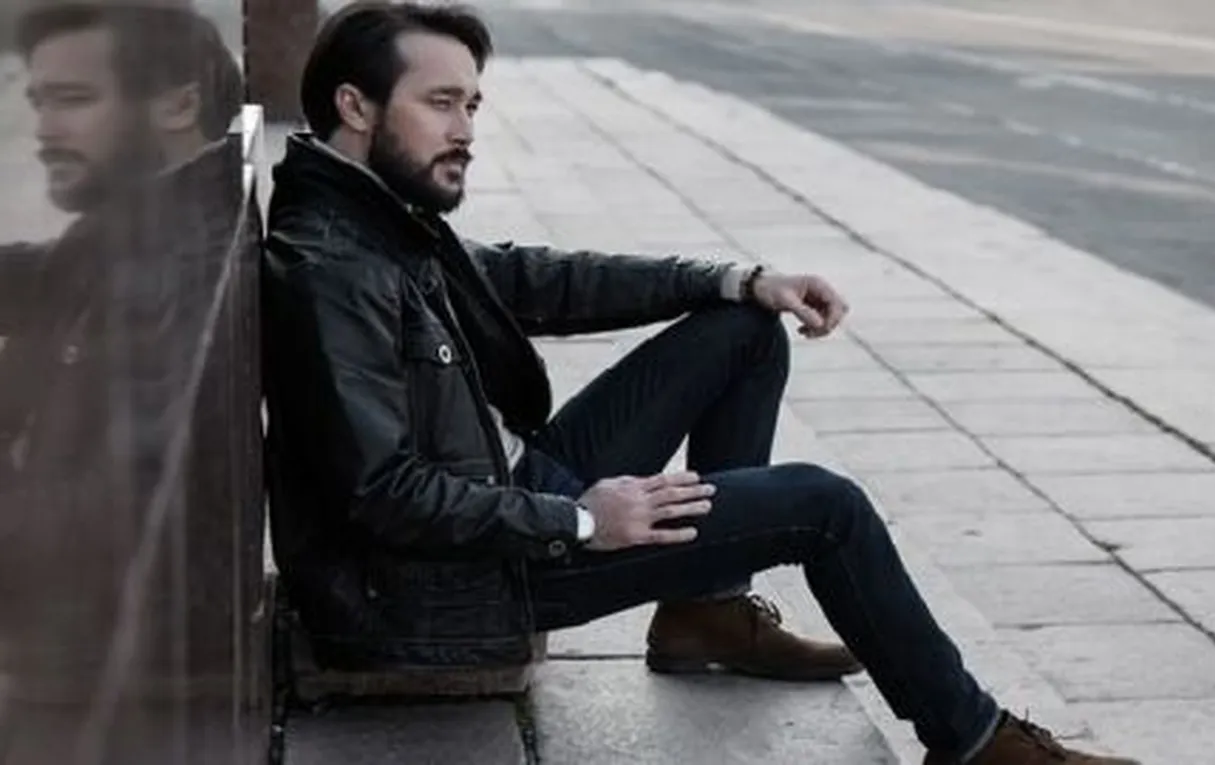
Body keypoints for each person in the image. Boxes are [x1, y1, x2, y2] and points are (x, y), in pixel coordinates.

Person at [261, 4, 1139, 763]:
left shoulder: (377, 215)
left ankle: (704, 613)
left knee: (742, 331)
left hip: (506, 493)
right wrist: (580, 521)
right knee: (825, 506)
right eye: (441, 103)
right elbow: (383, 493)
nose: (465, 130)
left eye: (472, 104)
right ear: (355, 105)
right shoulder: (333, 269)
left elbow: (534, 278)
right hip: (461, 582)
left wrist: (736, 279)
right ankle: (975, 741)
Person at [0, 4, 247, 761]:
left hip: (114, 675)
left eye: (73, 100)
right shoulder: (155, 216)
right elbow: (54, 272)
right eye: (38, 100)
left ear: (178, 103)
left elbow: (101, 517)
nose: (44, 129)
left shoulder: (178, 269)